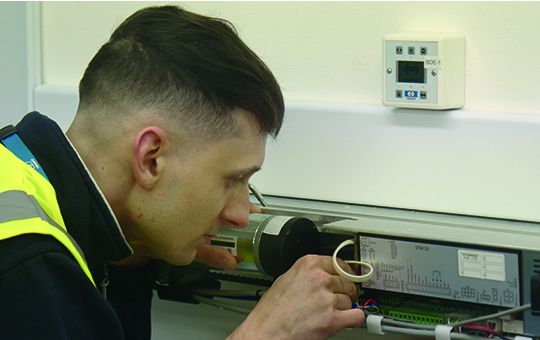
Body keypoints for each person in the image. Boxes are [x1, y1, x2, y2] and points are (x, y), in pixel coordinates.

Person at [0, 5, 364, 340]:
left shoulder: (17, 174)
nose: (240, 215)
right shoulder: (28, 266)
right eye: (233, 179)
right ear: (150, 158)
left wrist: (122, 259)